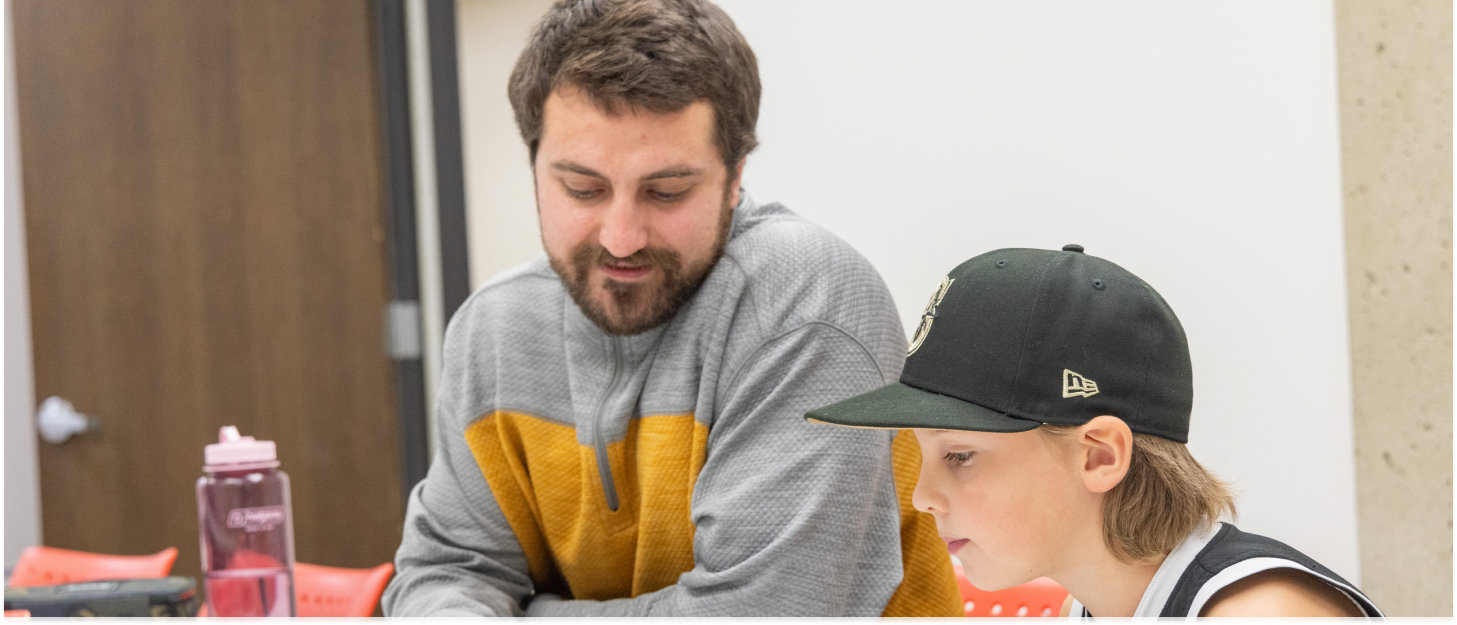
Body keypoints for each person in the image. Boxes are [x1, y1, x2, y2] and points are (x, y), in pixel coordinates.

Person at [380, 0, 960, 617]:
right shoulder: (494, 330)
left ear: (734, 177)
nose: (621, 237)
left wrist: (527, 614)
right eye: (582, 188)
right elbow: (444, 572)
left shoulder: (806, 302)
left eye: (666, 192)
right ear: (533, 169)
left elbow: (762, 614)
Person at [805, 244, 1384, 618]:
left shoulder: (1260, 614)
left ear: (1100, 456)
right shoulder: (1101, 605)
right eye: (921, 454)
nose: (921, 498)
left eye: (959, 455)